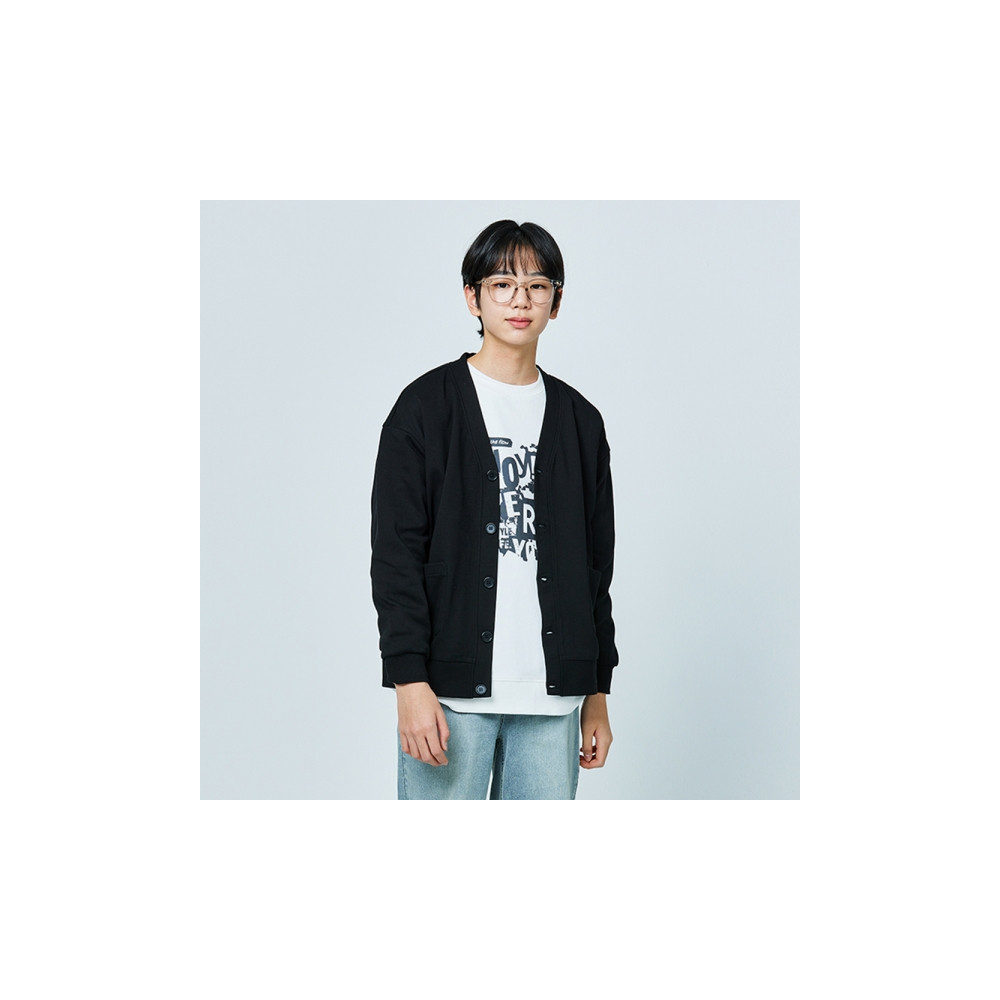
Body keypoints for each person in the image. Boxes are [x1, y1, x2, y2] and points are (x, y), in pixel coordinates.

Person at [370, 219, 618, 800]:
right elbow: (396, 557)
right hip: (449, 695)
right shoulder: (424, 409)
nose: (520, 300)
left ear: (556, 301)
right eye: (502, 284)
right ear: (472, 297)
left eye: (537, 285)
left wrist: (596, 692)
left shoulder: (581, 422)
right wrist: (409, 681)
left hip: (554, 698)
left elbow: (595, 570)